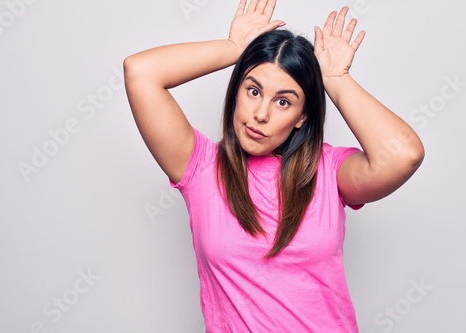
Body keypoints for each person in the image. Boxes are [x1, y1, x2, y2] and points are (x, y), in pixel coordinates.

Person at [123, 0, 424, 331]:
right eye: (253, 90)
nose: (261, 114)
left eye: (284, 101)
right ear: (236, 91)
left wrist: (336, 79)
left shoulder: (328, 171)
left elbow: (404, 154)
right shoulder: (201, 167)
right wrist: (234, 48)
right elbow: (140, 72)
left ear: (302, 116)